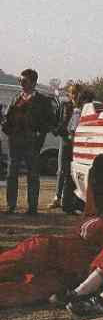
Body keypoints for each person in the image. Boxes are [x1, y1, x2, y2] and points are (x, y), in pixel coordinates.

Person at [0, 190, 103, 308]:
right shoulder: (99, 221)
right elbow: (89, 230)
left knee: (28, 292)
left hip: (68, 277)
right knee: (10, 264)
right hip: (49, 251)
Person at [2, 69, 56, 215]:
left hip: (32, 142)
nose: (21, 83)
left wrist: (40, 136)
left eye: (24, 81)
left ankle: (32, 207)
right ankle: (11, 205)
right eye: (20, 81)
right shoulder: (15, 98)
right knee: (11, 174)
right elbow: (7, 118)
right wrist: (8, 129)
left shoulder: (43, 101)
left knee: (33, 175)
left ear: (33, 82)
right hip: (15, 141)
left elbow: (50, 121)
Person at [50, 83, 81, 210]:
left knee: (74, 171)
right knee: (62, 169)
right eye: (73, 93)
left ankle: (70, 199)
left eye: (77, 93)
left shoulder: (85, 108)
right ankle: (57, 197)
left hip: (78, 141)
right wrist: (58, 131)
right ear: (69, 94)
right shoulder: (65, 105)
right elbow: (59, 121)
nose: (75, 96)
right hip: (65, 139)